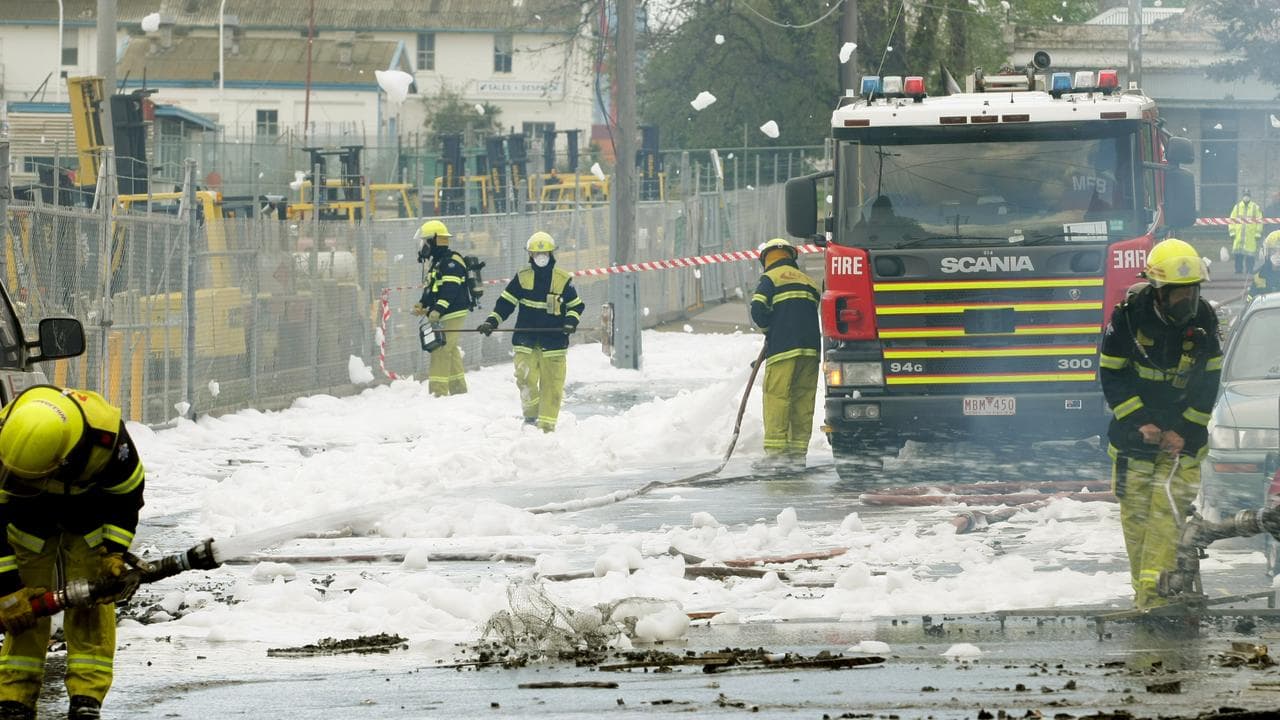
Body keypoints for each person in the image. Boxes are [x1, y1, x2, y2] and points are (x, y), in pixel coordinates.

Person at [0, 386, 146, 720]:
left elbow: (127, 496)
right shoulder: (6, 434)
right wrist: (7, 590)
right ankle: (14, 697)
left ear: (61, 460)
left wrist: (114, 552)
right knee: (23, 609)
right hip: (26, 516)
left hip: (87, 515)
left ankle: (87, 695)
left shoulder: (106, 440)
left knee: (92, 596)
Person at [1098, 238, 1222, 611]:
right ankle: (1147, 597)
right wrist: (1142, 422)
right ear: (1158, 291)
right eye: (1179, 293)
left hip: (1184, 439)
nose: (1188, 300)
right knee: (1137, 520)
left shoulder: (1205, 320)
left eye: (1193, 291)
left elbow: (1209, 383)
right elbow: (1111, 375)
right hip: (1134, 438)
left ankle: (1155, 599)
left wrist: (1183, 430)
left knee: (1167, 516)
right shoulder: (1128, 318)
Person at [477, 232, 584, 432]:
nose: (540, 257)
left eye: (544, 253)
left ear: (551, 254)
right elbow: (506, 302)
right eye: (536, 253)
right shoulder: (523, 277)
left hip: (554, 342)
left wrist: (570, 322)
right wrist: (492, 321)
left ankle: (546, 428)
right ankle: (531, 416)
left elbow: (576, 306)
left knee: (552, 386)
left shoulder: (562, 279)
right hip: (525, 339)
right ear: (530, 255)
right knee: (524, 378)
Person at [749, 238, 821, 472]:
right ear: (791, 256)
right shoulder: (809, 281)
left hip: (783, 350)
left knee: (777, 398)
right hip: (810, 350)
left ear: (766, 259)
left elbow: (757, 308)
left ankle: (776, 455)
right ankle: (797, 456)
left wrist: (770, 330)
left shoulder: (770, 278)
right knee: (803, 400)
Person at [411, 220, 472, 396]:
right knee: (450, 349)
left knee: (440, 348)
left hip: (452, 312)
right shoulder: (438, 263)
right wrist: (422, 304)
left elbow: (450, 290)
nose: (423, 247)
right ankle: (458, 389)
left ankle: (438, 393)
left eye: (425, 242)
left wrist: (438, 309)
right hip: (444, 312)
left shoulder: (451, 263)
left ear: (435, 241)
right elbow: (432, 289)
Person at [1229, 190, 1263, 275]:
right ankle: (1238, 270)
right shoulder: (1237, 207)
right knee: (1238, 254)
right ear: (1242, 196)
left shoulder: (1255, 207)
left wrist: (1258, 233)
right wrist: (1232, 232)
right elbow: (1231, 220)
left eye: (1247, 195)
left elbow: (1260, 221)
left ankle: (1249, 270)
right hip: (1238, 236)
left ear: (1250, 196)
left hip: (1251, 236)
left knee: (1250, 255)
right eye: (1245, 195)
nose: (1246, 197)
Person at [1246, 230, 1280, 303]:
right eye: (1274, 251)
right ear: (1266, 252)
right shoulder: (1259, 277)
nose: (1278, 255)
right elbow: (1250, 302)